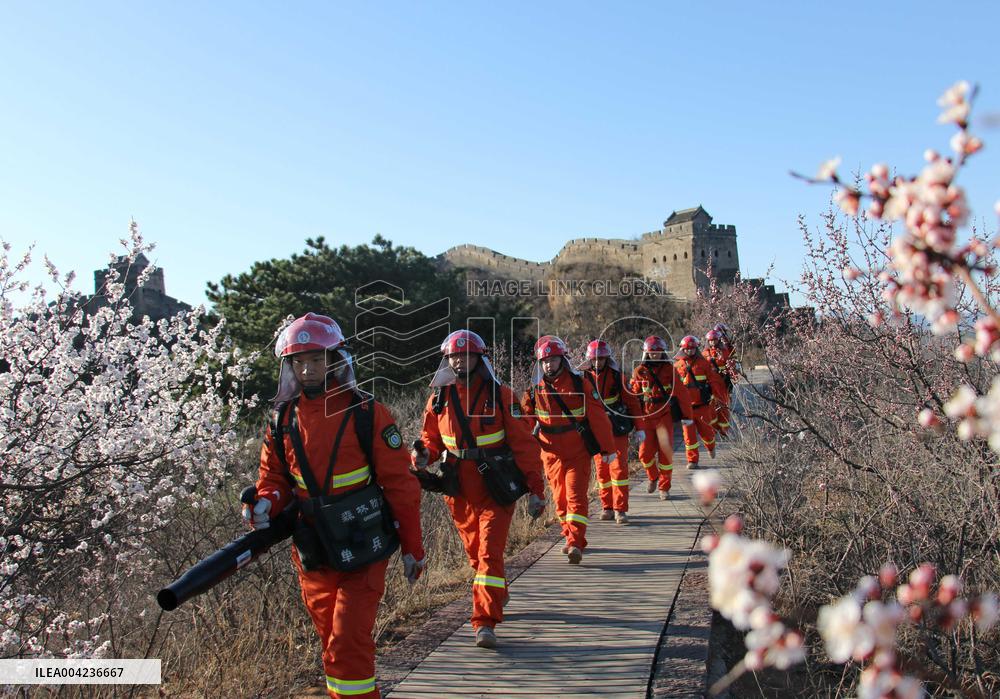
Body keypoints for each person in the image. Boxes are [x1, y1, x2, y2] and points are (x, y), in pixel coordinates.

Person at [246, 313, 425, 699]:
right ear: (289, 366)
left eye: (316, 359)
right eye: (299, 361)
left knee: (346, 642)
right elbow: (274, 481)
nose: (308, 369)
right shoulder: (281, 419)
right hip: (313, 549)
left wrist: (413, 547)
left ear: (334, 359)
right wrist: (264, 504)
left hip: (363, 541)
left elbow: (400, 486)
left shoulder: (366, 412)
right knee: (332, 644)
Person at [411, 330, 546, 649]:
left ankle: (484, 621)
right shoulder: (439, 398)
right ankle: (496, 592)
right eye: (454, 356)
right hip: (457, 486)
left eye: (466, 355)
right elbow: (431, 439)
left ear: (479, 358)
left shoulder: (502, 396)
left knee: (488, 553)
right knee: (475, 553)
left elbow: (524, 444)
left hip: (495, 484)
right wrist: (421, 456)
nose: (460, 360)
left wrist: (536, 488)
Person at [521, 335, 616, 564]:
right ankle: (570, 536)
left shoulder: (579, 384)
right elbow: (523, 419)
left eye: (553, 360)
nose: (548, 365)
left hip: (576, 452)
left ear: (562, 360)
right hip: (550, 455)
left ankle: (575, 542)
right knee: (560, 499)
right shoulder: (535, 390)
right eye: (544, 361)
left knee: (575, 497)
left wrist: (608, 449)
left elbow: (597, 416)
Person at [580, 339, 643, 524]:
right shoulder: (582, 378)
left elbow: (632, 403)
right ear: (590, 359)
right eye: (595, 359)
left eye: (602, 359)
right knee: (602, 471)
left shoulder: (618, 377)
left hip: (616, 428)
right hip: (595, 430)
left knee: (619, 469)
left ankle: (620, 509)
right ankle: (606, 506)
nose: (598, 362)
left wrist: (640, 428)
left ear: (608, 359)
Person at [629, 336, 691, 500]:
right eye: (651, 352)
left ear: (662, 352)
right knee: (644, 454)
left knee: (665, 455)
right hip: (646, 417)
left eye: (657, 352)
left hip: (664, 416)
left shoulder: (669, 370)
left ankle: (664, 488)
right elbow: (633, 396)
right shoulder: (639, 371)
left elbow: (682, 394)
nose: (654, 355)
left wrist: (687, 416)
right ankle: (653, 476)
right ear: (646, 353)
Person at [673, 334, 727, 468]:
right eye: (687, 349)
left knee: (707, 433)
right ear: (682, 349)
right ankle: (692, 460)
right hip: (686, 409)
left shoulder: (704, 364)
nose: (689, 351)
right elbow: (674, 386)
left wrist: (717, 396)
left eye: (692, 348)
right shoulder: (677, 366)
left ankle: (711, 446)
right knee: (689, 437)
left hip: (702, 406)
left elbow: (713, 381)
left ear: (696, 349)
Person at [703, 329, 734, 436]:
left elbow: (730, 367)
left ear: (718, 340)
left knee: (723, 407)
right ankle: (713, 429)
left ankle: (724, 430)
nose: (712, 342)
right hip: (709, 385)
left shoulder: (724, 351)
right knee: (711, 408)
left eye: (714, 340)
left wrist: (730, 384)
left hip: (722, 384)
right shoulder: (704, 354)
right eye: (710, 340)